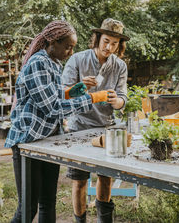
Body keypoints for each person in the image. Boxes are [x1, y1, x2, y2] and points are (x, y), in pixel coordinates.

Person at [4, 20, 109, 223]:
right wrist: (92, 98)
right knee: (27, 209)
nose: (70, 52)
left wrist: (73, 91)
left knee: (47, 202)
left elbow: (51, 95)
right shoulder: (38, 63)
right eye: (68, 46)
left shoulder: (53, 63)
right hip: (28, 143)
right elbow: (52, 108)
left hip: (47, 142)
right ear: (53, 41)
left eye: (73, 47)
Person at [62, 18, 130, 223]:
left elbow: (123, 99)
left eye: (115, 44)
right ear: (98, 38)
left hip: (105, 127)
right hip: (78, 126)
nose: (109, 47)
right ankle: (80, 220)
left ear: (120, 45)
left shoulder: (120, 66)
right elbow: (63, 93)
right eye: (106, 41)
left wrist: (116, 101)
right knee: (80, 180)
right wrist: (80, 86)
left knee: (105, 178)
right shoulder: (78, 60)